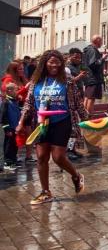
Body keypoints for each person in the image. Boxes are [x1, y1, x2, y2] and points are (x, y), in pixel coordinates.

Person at [16, 50, 88, 205]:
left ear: (62, 64)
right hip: (41, 123)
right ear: (44, 64)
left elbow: (77, 103)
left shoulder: (67, 81)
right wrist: (21, 122)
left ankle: (76, 176)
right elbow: (28, 103)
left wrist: (88, 120)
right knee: (41, 157)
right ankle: (45, 192)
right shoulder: (36, 82)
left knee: (58, 157)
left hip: (62, 121)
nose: (55, 65)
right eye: (51, 62)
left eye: (58, 62)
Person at [83, 35, 107, 113]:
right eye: (101, 40)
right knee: (91, 98)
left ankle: (85, 116)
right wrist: (103, 58)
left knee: (87, 97)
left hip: (89, 77)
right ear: (97, 40)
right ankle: (88, 117)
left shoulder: (88, 50)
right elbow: (93, 64)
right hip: (93, 78)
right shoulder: (93, 50)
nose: (102, 42)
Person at [1, 83, 22, 170]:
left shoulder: (15, 101)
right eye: (15, 90)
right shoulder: (6, 102)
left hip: (15, 127)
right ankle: (8, 162)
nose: (17, 92)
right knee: (9, 145)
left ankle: (13, 160)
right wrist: (7, 128)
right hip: (10, 128)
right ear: (9, 91)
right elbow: (3, 116)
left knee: (15, 144)